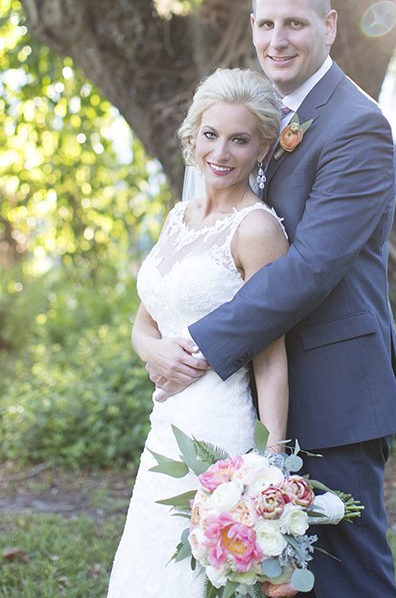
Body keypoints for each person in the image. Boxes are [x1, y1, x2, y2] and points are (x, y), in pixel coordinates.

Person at [145, 0, 396, 597]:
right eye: (265, 23)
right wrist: (158, 340)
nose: (277, 39)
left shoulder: (356, 126)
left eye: (295, 23)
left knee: (349, 576)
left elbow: (314, 266)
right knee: (267, 578)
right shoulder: (260, 119)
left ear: (330, 26)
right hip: (254, 392)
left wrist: (199, 345)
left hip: (332, 387)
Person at [106, 68, 289, 598]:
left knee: (202, 570)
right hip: (167, 419)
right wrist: (152, 350)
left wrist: (273, 462)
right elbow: (147, 317)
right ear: (194, 135)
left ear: (261, 147)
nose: (222, 152)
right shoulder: (177, 219)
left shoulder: (257, 229)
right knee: (153, 556)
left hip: (219, 423)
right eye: (212, 135)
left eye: (240, 139)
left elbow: (271, 351)